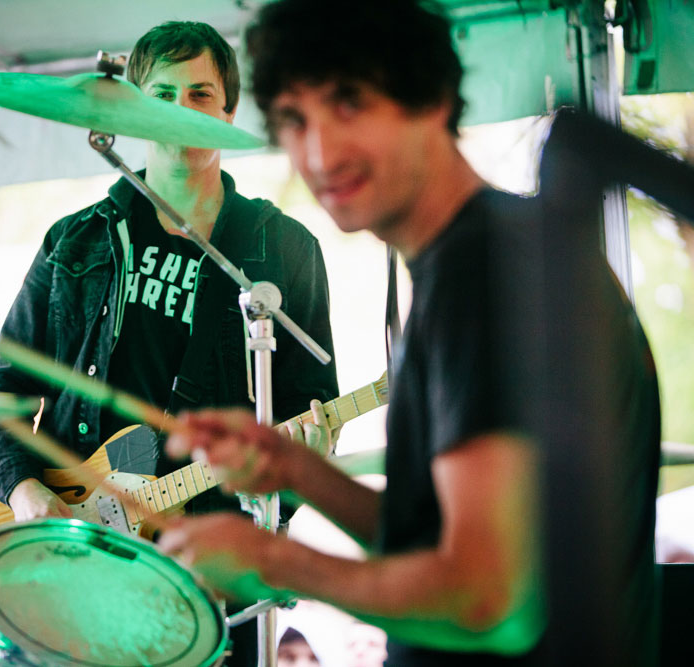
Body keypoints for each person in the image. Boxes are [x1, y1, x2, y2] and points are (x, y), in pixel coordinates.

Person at [159, 1, 661, 665]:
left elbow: (488, 603)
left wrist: (273, 559)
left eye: (349, 103)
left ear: (429, 95)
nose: (319, 151)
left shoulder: (479, 273)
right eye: (295, 120)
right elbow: (448, 545)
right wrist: (296, 469)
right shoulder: (494, 251)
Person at [0, 19, 339, 666]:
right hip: (76, 566)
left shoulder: (281, 248)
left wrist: (288, 498)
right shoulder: (77, 240)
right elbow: (2, 390)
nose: (182, 111)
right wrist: (29, 494)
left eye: (201, 95)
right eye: (162, 96)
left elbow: (312, 407)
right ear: (136, 107)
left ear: (227, 111)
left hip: (207, 576)